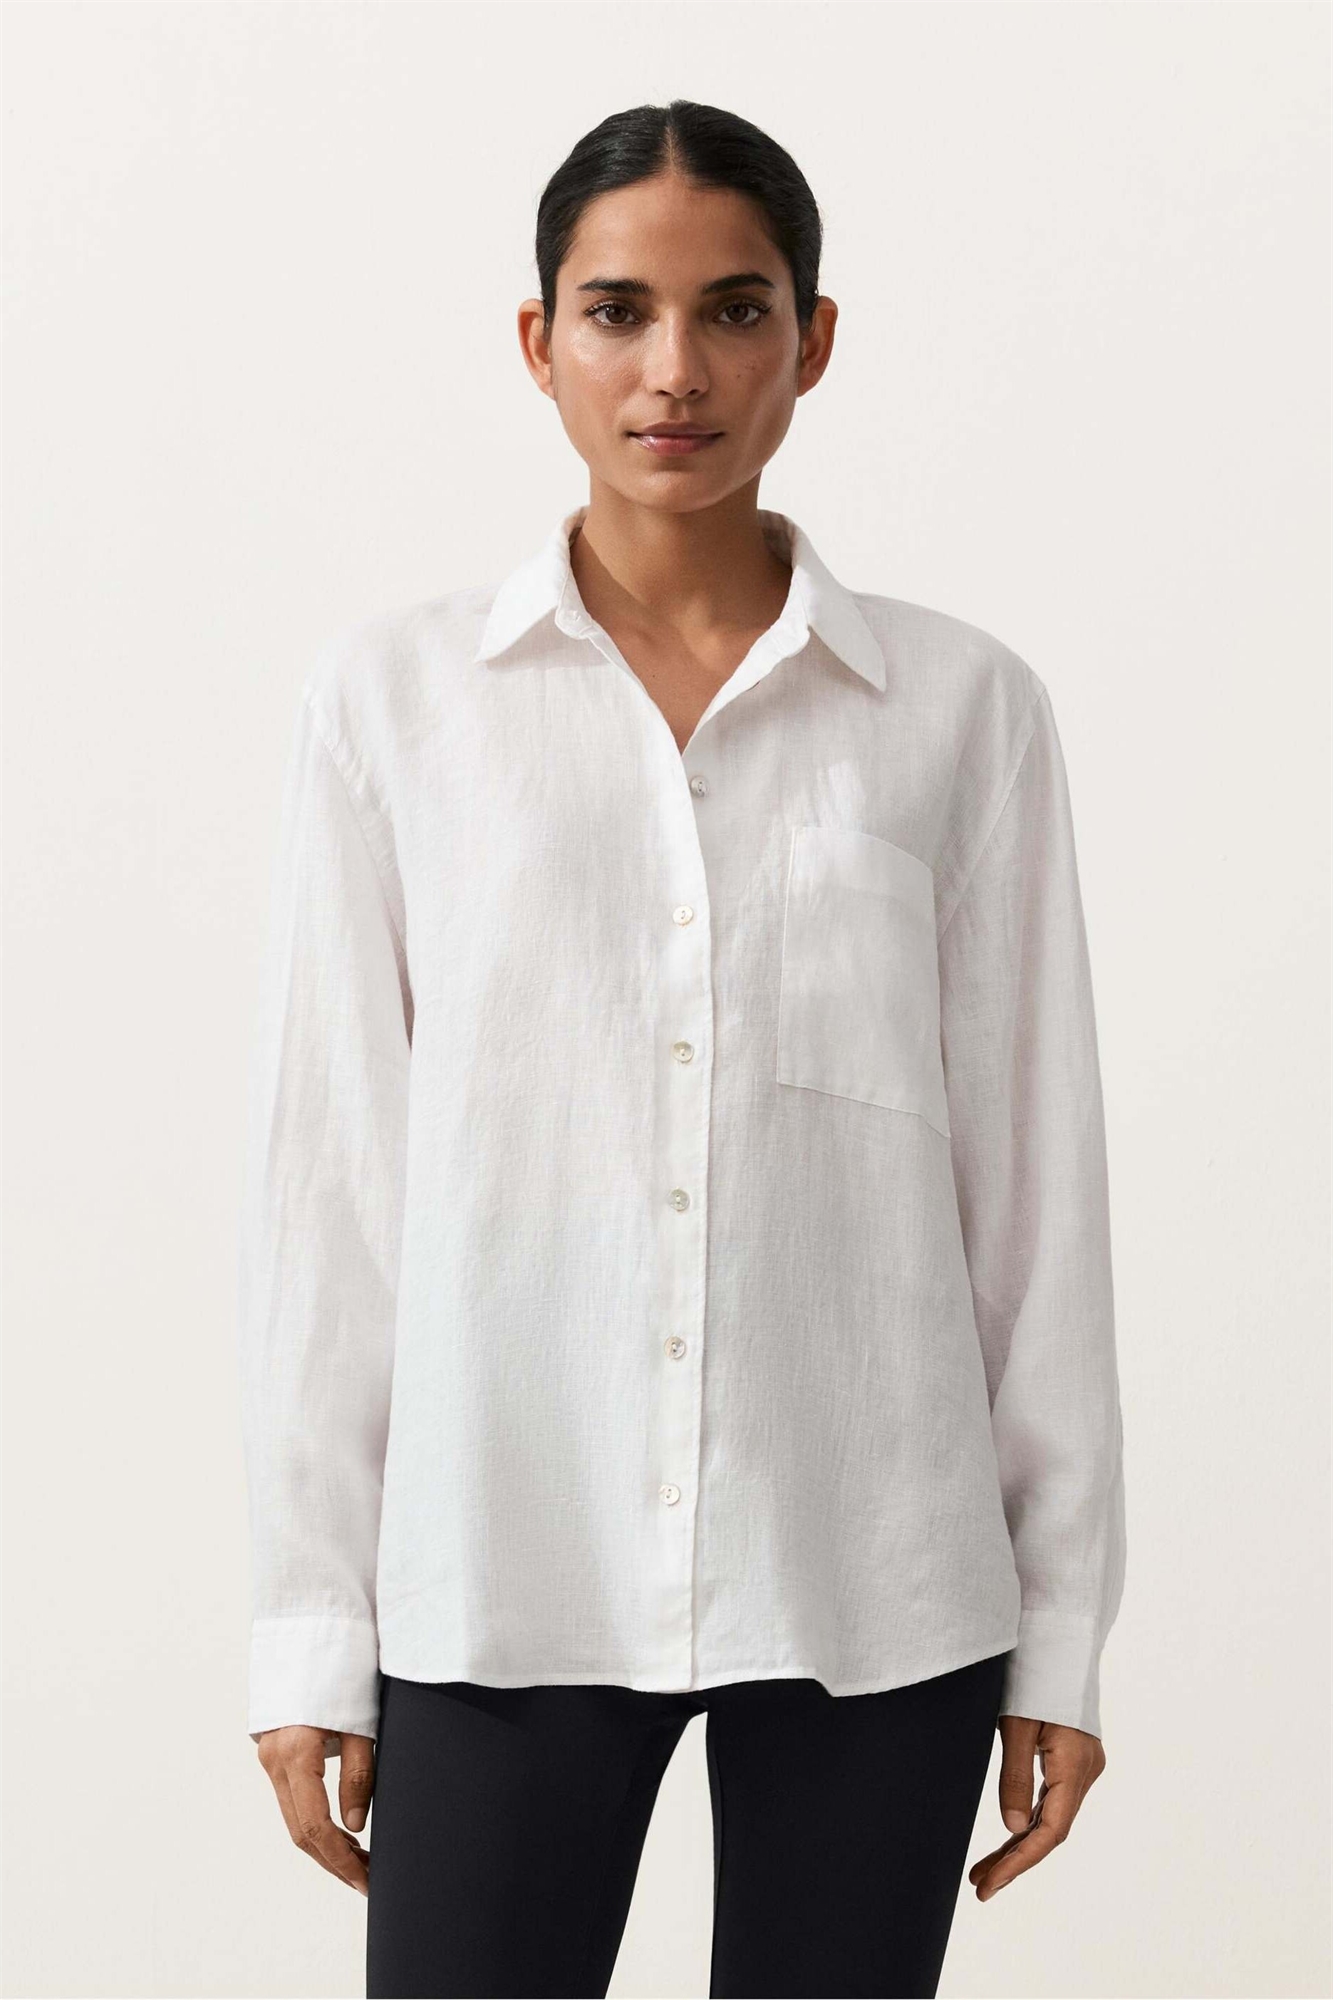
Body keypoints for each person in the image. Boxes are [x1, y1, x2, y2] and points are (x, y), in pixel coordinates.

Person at [237, 98, 1127, 2000]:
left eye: (733, 310)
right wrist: (312, 1624)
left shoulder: (959, 710)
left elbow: (1033, 1200)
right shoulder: (396, 708)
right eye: (617, 310)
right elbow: (337, 1195)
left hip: (874, 1577)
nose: (674, 371)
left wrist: (1058, 1629)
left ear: (813, 338)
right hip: (503, 1563)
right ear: (538, 340)